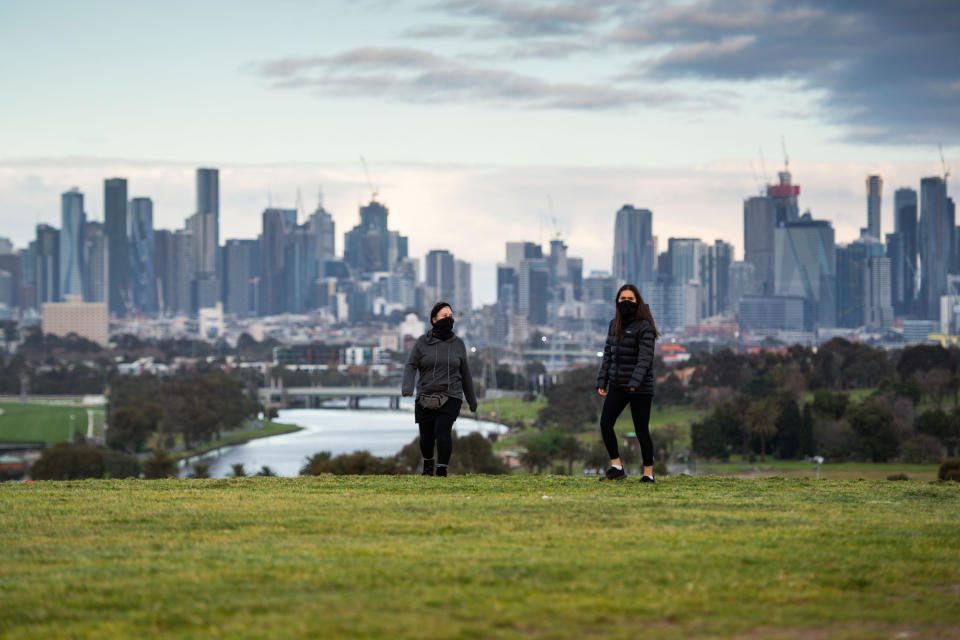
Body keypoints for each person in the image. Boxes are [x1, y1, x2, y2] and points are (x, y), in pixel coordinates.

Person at [402, 301, 478, 476]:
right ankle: (428, 464)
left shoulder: (458, 344)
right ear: (434, 320)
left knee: (442, 431)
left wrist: (472, 401)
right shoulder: (421, 342)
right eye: (445, 316)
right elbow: (411, 365)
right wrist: (408, 387)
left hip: (451, 395)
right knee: (426, 437)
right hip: (425, 395)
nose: (449, 319)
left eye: (451, 316)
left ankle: (442, 469)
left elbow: (465, 373)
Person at [595, 283, 659, 482]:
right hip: (617, 384)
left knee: (641, 430)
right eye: (623, 299)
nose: (626, 303)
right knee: (606, 423)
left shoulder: (644, 326)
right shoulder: (614, 325)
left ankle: (648, 474)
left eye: (630, 299)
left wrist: (634, 382)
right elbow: (608, 354)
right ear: (617, 302)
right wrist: (602, 380)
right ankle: (616, 467)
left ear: (637, 302)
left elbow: (645, 359)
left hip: (640, 387)